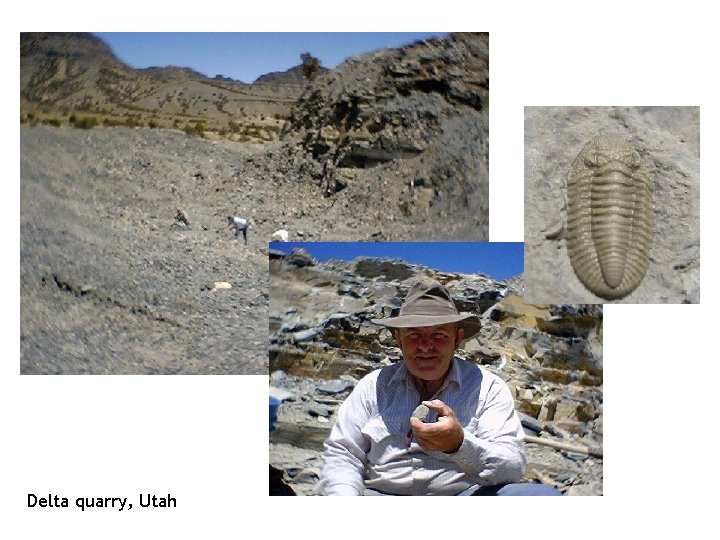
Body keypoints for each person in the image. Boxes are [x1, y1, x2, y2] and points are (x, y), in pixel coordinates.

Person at [316, 278, 562, 496]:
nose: (425, 346)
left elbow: (513, 466)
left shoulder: (488, 388)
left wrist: (459, 444)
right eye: (413, 335)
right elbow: (343, 455)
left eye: (438, 335)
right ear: (398, 340)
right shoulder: (373, 386)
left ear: (457, 339)